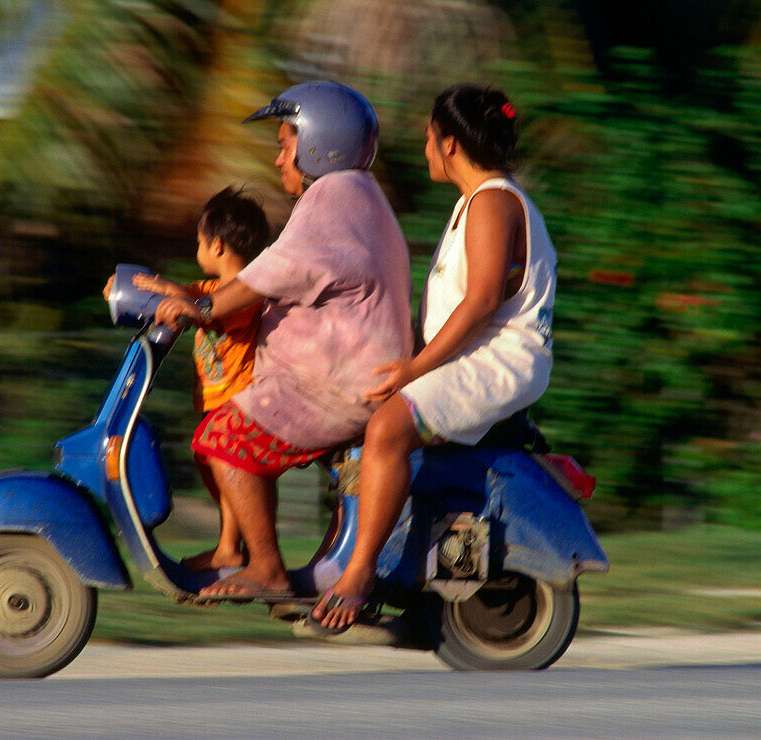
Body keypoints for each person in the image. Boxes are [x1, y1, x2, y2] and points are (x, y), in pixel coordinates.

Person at [309, 83, 558, 632]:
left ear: (449, 143)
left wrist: (413, 370)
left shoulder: (494, 199)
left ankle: (359, 575)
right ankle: (396, 568)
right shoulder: (474, 202)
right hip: (475, 357)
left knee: (388, 429)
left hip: (501, 363)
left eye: (427, 139)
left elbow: (484, 300)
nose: (423, 150)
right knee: (358, 417)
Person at [155, 80, 413, 599]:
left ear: (319, 142)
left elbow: (269, 273)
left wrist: (201, 307)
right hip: (338, 377)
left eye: (284, 144)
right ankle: (241, 553)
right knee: (232, 428)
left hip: (333, 386)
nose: (278, 160)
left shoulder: (332, 200)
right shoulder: (356, 196)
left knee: (222, 437)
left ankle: (266, 568)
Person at [113, 186, 270, 571]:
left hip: (236, 402)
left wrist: (188, 307)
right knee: (209, 465)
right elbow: (186, 294)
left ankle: (232, 548)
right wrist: (144, 288)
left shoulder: (244, 292)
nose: (195, 249)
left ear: (216, 246)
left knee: (227, 470)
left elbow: (206, 311)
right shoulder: (214, 289)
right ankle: (229, 545)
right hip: (214, 403)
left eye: (198, 241)